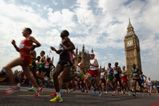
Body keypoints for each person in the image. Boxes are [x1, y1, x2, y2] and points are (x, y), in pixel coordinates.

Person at [1, 27, 42, 96]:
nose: (22, 32)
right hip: (24, 58)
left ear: (28, 32)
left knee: (7, 67)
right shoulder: (22, 41)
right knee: (28, 75)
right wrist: (14, 44)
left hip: (25, 57)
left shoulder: (30, 38)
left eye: (23, 31)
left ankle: (13, 86)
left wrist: (30, 47)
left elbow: (38, 44)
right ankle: (38, 88)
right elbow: (18, 50)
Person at [50, 30, 75, 103]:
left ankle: (74, 76)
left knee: (61, 77)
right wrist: (54, 49)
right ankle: (58, 95)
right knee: (55, 75)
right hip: (61, 60)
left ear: (65, 34)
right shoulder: (61, 41)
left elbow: (73, 47)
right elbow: (59, 52)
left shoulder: (67, 39)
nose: (60, 33)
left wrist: (65, 49)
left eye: (62, 32)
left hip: (66, 60)